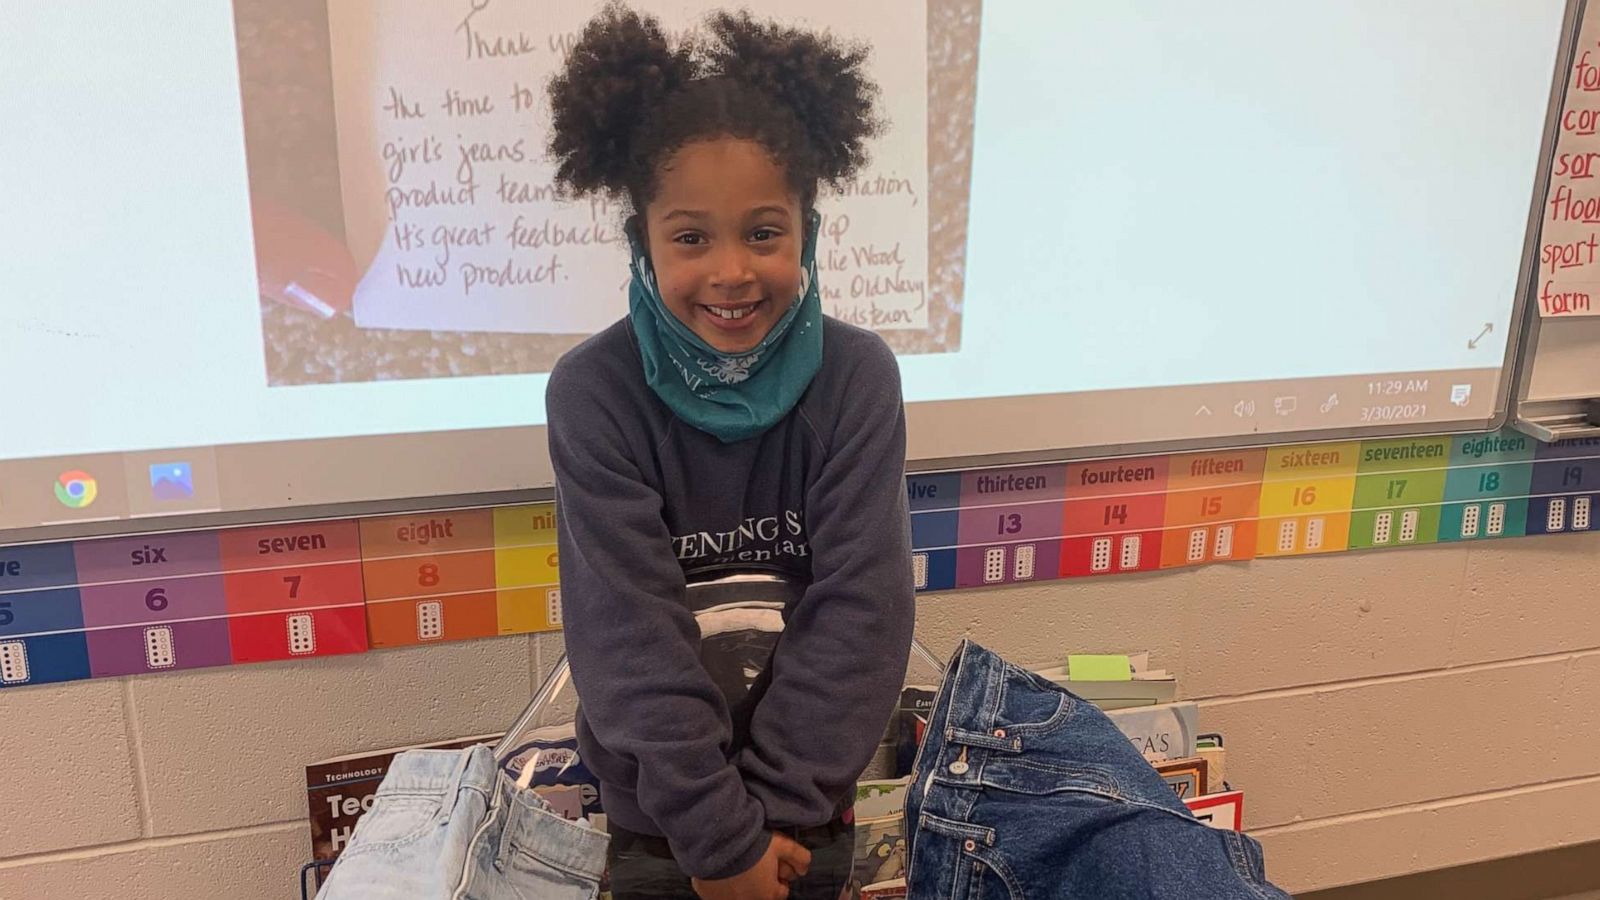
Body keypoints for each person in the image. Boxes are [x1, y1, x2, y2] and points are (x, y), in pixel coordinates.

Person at [542, 4, 915, 900]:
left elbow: (863, 612)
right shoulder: (594, 393)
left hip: (807, 811)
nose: (732, 272)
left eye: (762, 231)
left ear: (808, 234)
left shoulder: (858, 377)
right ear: (643, 244)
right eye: (690, 237)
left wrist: (774, 818)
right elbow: (627, 640)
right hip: (658, 818)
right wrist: (718, 841)